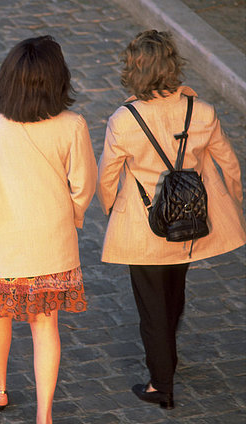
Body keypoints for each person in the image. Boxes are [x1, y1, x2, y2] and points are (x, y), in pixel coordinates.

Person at [0, 36, 97, 424]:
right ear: (58, 80)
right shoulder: (73, 125)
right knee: (45, 323)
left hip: (0, 240)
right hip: (52, 243)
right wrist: (71, 219)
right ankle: (44, 415)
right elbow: (83, 186)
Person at [96, 30, 246, 409]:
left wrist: (109, 207)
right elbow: (229, 161)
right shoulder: (202, 111)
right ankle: (168, 359)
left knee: (152, 309)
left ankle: (160, 385)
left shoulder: (125, 119)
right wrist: (236, 199)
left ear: (134, 70)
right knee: (174, 292)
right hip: (189, 221)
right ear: (173, 66)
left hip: (144, 226)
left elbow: (108, 176)